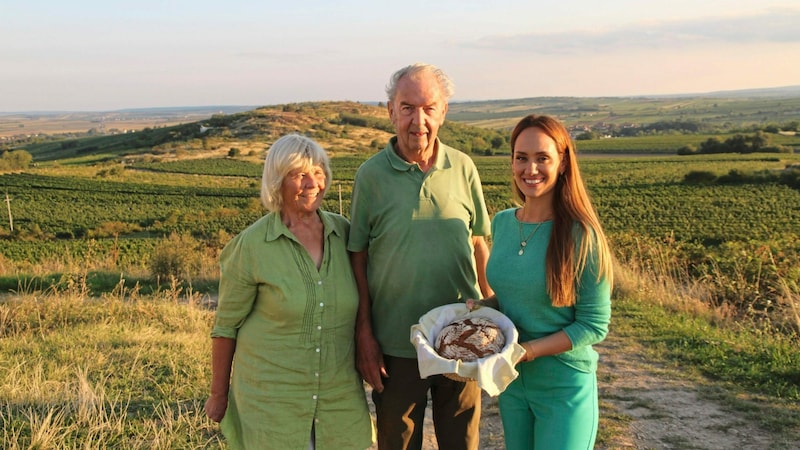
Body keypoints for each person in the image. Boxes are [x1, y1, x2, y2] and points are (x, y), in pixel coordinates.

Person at [348, 63, 493, 450]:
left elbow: (479, 241)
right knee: (397, 442)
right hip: (396, 344)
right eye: (408, 107)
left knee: (462, 441)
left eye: (429, 108)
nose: (419, 121)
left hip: (461, 338)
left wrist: (493, 310)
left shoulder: (463, 167)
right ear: (390, 111)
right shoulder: (370, 176)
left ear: (443, 111)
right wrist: (364, 332)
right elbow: (357, 255)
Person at [204, 134, 374, 450]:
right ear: (277, 182)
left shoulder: (344, 235)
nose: (313, 184)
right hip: (272, 402)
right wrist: (219, 394)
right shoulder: (252, 246)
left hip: (338, 398)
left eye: (319, 172)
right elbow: (226, 327)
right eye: (299, 175)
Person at [469, 114, 613, 449]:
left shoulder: (581, 234)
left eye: (542, 158)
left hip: (563, 385)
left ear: (562, 164)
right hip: (513, 382)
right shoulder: (503, 223)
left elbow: (594, 325)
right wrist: (482, 309)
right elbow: (512, 296)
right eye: (521, 158)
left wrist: (527, 351)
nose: (529, 169)